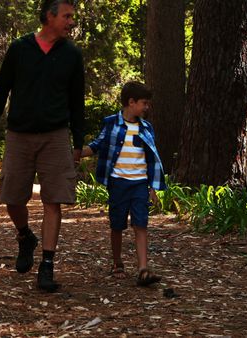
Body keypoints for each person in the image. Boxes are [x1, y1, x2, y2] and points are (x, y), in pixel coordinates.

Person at [0, 0, 85, 292]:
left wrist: (79, 143)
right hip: (19, 135)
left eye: (71, 17)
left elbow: (78, 103)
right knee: (12, 197)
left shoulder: (72, 55)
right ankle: (25, 236)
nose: (71, 21)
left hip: (56, 136)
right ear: (49, 16)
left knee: (54, 201)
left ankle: (47, 265)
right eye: (67, 16)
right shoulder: (20, 49)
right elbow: (1, 91)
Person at [80, 81, 165, 286]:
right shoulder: (111, 123)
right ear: (131, 102)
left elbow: (152, 158)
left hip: (140, 184)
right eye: (144, 103)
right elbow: (97, 145)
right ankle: (117, 263)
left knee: (141, 224)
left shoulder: (146, 127)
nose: (147, 107)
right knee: (117, 224)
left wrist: (153, 187)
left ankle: (143, 269)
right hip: (118, 183)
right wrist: (75, 153)